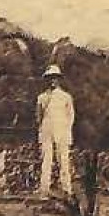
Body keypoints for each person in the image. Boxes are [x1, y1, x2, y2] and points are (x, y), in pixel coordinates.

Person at [36, 65, 76, 195]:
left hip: (62, 130)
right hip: (47, 129)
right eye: (50, 78)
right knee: (46, 160)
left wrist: (66, 131)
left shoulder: (66, 97)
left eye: (55, 78)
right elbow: (39, 116)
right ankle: (44, 189)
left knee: (63, 160)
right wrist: (41, 131)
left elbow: (70, 116)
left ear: (59, 79)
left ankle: (66, 188)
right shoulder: (42, 97)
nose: (52, 80)